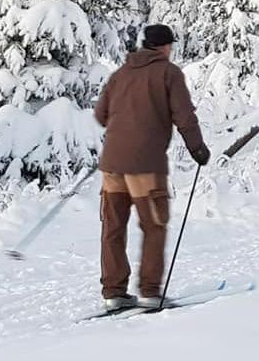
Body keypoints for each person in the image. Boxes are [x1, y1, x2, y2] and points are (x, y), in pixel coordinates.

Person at [94, 24, 211, 310]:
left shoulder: (119, 75)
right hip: (145, 165)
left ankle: (113, 292)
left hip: (112, 166)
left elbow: (101, 115)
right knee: (154, 225)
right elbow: (184, 116)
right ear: (164, 47)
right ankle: (149, 291)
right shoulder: (169, 73)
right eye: (171, 45)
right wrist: (198, 149)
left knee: (113, 228)